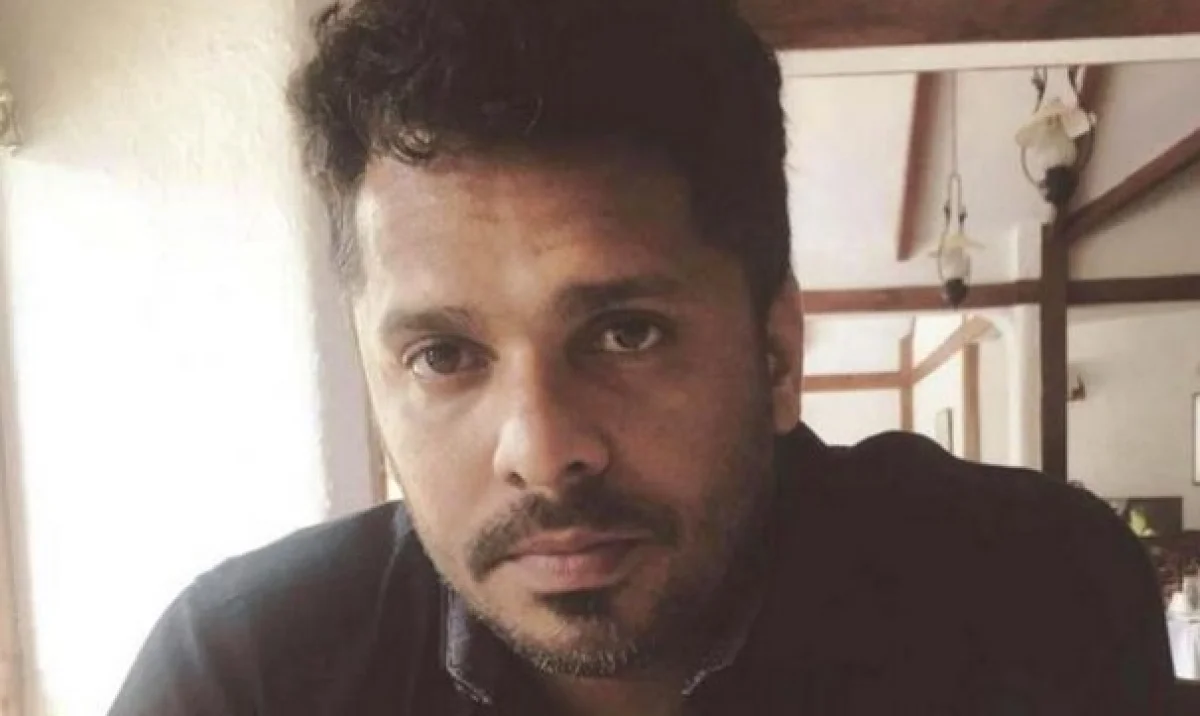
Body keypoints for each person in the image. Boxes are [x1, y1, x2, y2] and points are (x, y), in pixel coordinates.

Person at [108, 0, 1173, 714]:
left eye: (626, 333)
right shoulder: (246, 678)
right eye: (443, 354)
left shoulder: (1027, 599)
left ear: (776, 349)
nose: (542, 449)